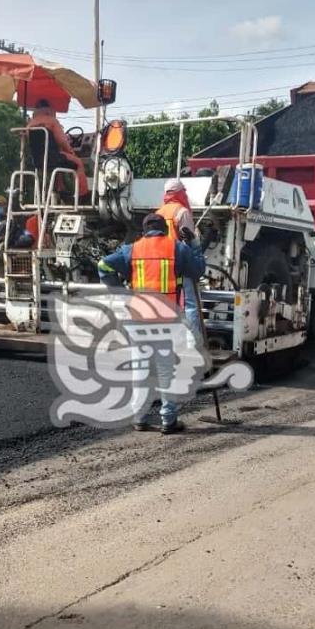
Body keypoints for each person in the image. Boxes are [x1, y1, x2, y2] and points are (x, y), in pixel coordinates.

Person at [98, 212, 207, 434]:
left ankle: (139, 417)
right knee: (166, 370)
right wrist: (194, 243)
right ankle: (168, 420)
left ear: (144, 231)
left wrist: (119, 291)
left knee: (141, 369)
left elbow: (103, 266)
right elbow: (198, 271)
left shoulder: (132, 250)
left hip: (139, 319)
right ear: (165, 229)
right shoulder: (177, 248)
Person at [156, 179, 201, 336]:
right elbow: (189, 239)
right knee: (190, 304)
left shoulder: (159, 212)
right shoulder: (182, 212)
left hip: (162, 264)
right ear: (180, 193)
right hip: (180, 262)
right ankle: (193, 341)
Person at [27, 100, 88, 197]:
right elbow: (62, 141)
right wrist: (71, 152)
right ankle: (83, 195)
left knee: (59, 158)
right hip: (52, 158)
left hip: (37, 161)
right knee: (78, 162)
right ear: (48, 110)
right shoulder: (51, 121)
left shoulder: (29, 125)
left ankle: (60, 188)